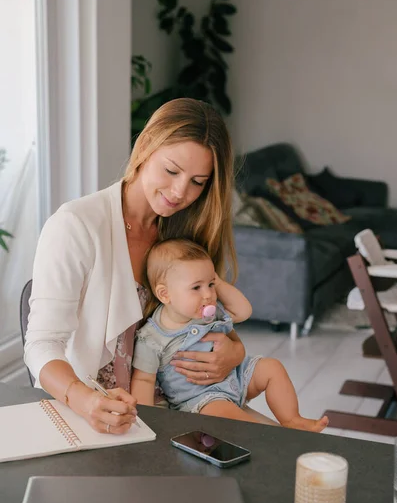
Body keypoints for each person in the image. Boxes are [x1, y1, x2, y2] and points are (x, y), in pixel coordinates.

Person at [25, 97, 267, 434]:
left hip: (186, 402)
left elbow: (212, 320)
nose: (179, 192)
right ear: (146, 147)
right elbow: (41, 345)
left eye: (198, 182)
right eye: (171, 170)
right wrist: (83, 400)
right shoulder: (76, 225)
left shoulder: (183, 230)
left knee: (285, 454)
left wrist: (235, 352)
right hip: (100, 411)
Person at [131, 238, 329, 431]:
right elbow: (143, 380)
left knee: (272, 368)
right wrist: (148, 423)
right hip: (202, 400)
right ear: (165, 294)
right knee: (227, 414)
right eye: (196, 287)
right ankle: (266, 436)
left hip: (236, 376)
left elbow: (244, 311)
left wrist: (217, 283)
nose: (208, 294)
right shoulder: (152, 339)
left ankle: (292, 419)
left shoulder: (208, 311)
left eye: (210, 285)